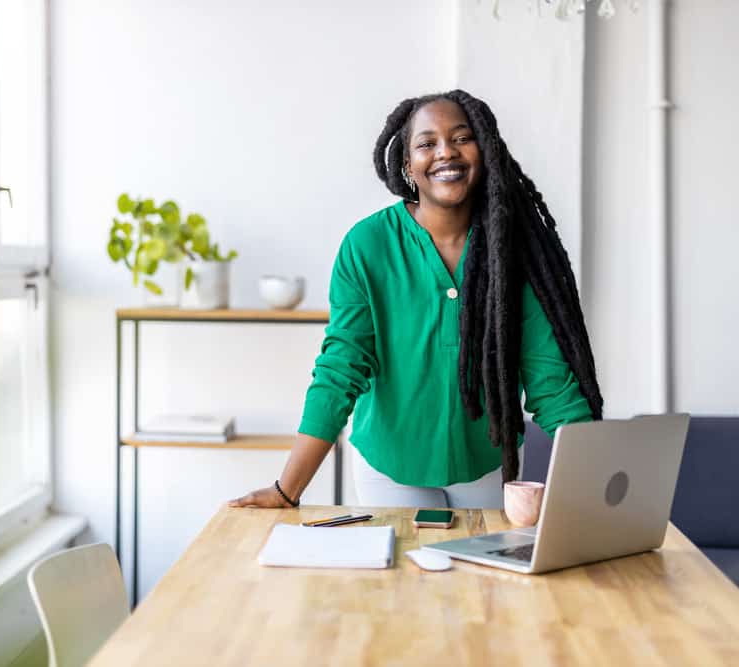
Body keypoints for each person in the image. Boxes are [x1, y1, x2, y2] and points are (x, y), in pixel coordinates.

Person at [228, 90, 603, 510]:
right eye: (427, 143)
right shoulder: (367, 245)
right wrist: (286, 490)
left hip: (487, 466)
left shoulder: (513, 252)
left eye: (462, 138)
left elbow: (550, 380)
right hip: (389, 469)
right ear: (408, 165)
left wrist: (602, 487)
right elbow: (340, 368)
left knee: (478, 577)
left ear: (486, 149)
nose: (446, 152)